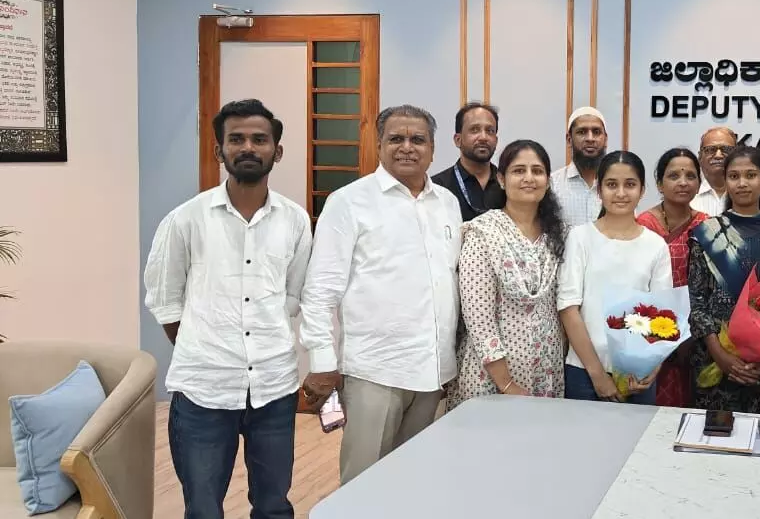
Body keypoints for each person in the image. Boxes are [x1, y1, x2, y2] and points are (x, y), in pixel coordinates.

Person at [143, 98, 310, 519]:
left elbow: (293, 295)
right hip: (204, 389)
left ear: (277, 151)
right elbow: (165, 301)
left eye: (259, 139)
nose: (248, 147)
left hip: (274, 387)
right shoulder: (186, 219)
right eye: (236, 139)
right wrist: (206, 346)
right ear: (219, 151)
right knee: (203, 508)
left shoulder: (295, 220)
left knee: (274, 505)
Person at [298, 104, 463, 485]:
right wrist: (322, 361)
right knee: (364, 481)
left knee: (415, 480)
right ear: (379, 144)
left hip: (433, 371)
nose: (407, 147)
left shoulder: (447, 203)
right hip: (374, 370)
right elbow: (320, 289)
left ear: (432, 148)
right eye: (396, 139)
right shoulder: (349, 202)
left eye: (417, 139)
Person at [447, 140, 567, 409]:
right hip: (491, 377)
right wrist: (507, 384)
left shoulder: (558, 234)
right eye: (518, 170)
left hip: (546, 370)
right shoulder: (482, 232)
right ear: (501, 179)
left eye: (537, 171)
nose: (529, 178)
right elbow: (479, 319)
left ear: (548, 181)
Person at [688, 146, 760, 416]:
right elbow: (697, 302)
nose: (742, 183)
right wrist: (720, 355)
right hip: (714, 361)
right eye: (734, 176)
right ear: (725, 181)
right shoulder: (706, 233)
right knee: (714, 434)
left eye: (750, 175)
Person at [558, 150, 673, 404]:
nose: (621, 193)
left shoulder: (656, 245)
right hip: (584, 371)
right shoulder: (580, 238)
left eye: (630, 184)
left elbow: (664, 315)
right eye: (612, 185)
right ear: (599, 190)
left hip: (638, 374)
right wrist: (598, 375)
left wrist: (653, 367)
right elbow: (568, 307)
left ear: (642, 190)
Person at [636, 147, 708, 408]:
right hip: (649, 331)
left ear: (699, 184)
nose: (683, 182)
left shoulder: (707, 226)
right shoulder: (642, 225)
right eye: (674, 176)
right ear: (659, 183)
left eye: (690, 176)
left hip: (694, 335)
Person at [431, 102, 504, 222]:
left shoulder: (508, 184)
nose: (483, 137)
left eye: (490, 131)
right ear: (458, 140)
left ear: (496, 141)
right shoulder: (436, 187)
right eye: (474, 130)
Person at [550, 106, 608, 227]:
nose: (590, 138)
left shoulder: (617, 186)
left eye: (596, 132)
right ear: (569, 139)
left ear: (605, 139)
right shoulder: (553, 184)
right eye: (582, 132)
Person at [690, 126, 738, 216]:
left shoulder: (747, 194)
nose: (718, 155)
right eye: (710, 149)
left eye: (726, 149)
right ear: (700, 157)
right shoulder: (686, 194)